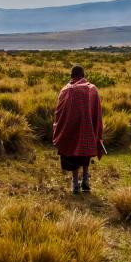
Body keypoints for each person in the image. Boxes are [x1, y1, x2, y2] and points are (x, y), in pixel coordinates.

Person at [53, 65, 104, 194]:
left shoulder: (66, 90)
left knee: (73, 156)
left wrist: (59, 127)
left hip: (71, 129)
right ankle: (86, 179)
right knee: (85, 154)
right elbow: (97, 112)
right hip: (88, 130)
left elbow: (59, 113)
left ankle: (75, 183)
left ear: (72, 76)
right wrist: (96, 131)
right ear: (83, 75)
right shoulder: (92, 90)